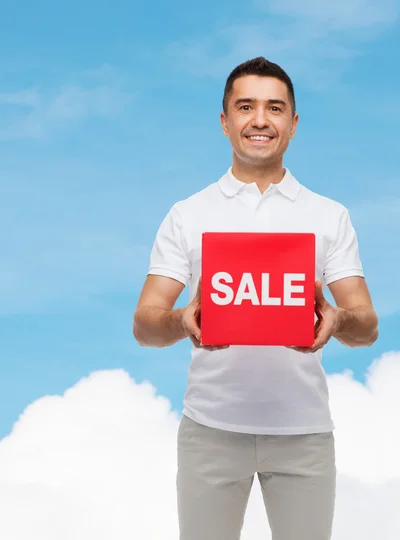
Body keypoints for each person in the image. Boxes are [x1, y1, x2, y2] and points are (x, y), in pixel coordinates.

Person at [133, 56, 379, 540]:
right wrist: (184, 320)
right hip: (210, 430)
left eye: (275, 108)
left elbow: (367, 325)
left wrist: (337, 318)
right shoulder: (188, 214)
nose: (260, 120)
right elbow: (145, 323)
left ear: (293, 123)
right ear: (226, 122)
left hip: (303, 434)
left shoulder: (329, 216)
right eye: (246, 107)